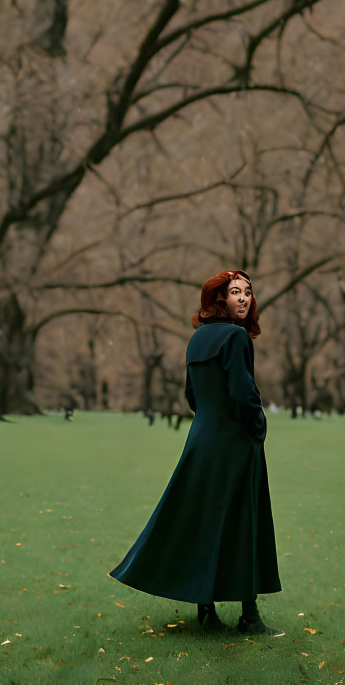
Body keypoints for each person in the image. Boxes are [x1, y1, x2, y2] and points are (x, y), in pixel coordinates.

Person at [110, 270, 283, 636]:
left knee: (207, 520)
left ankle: (206, 610)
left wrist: (210, 420)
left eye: (248, 293)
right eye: (234, 292)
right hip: (234, 442)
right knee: (242, 522)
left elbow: (191, 396)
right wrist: (257, 427)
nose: (243, 298)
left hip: (201, 440)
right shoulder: (236, 338)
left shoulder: (197, 339)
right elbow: (243, 392)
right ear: (219, 299)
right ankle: (249, 618)